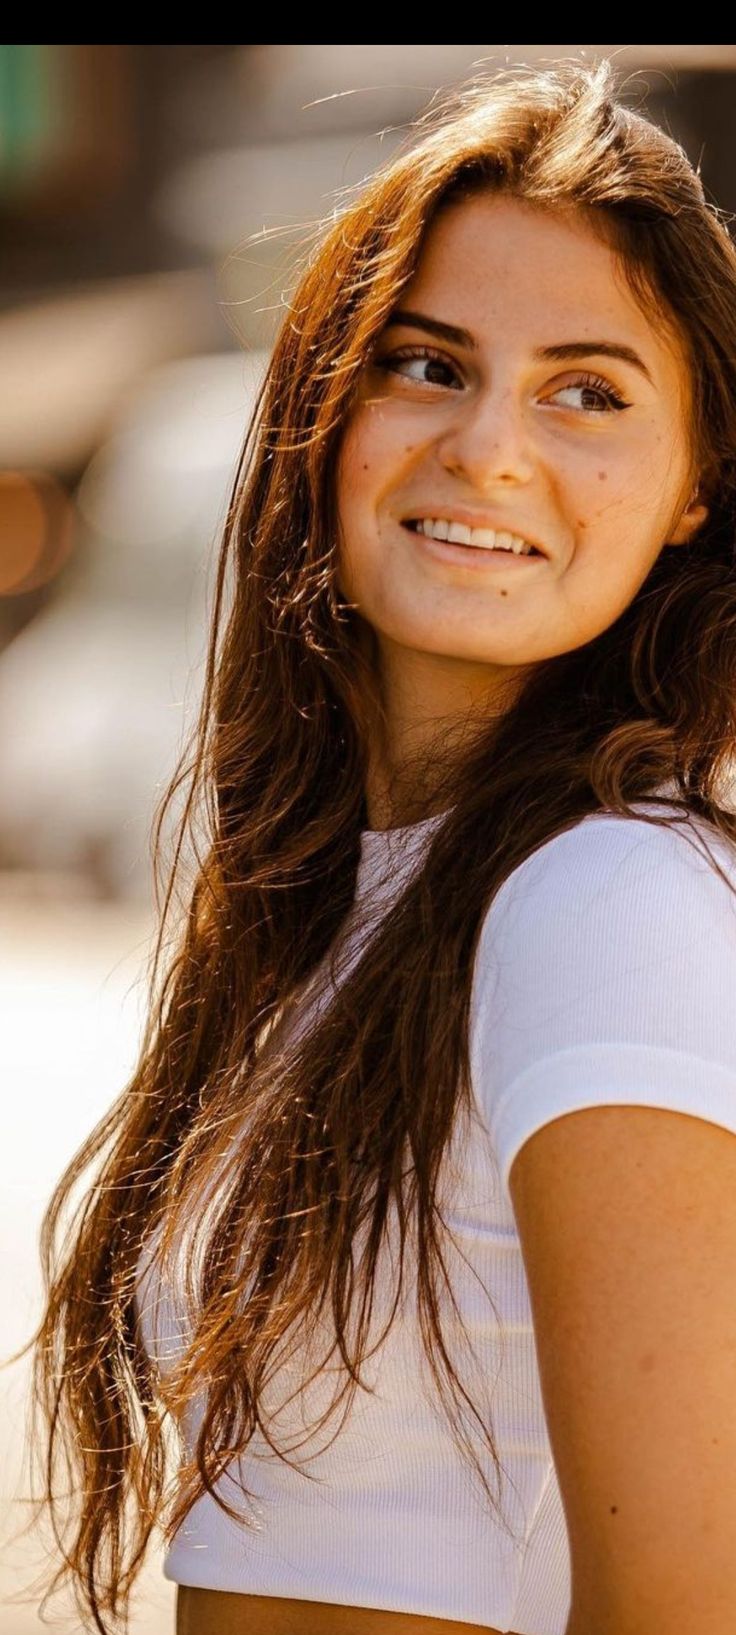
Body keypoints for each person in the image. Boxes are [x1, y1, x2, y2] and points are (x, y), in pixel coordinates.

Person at [17, 55, 736, 1635]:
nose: (489, 446)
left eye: (589, 389)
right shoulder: (360, 890)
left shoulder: (608, 897)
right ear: (325, 412)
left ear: (696, 493)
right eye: (426, 364)